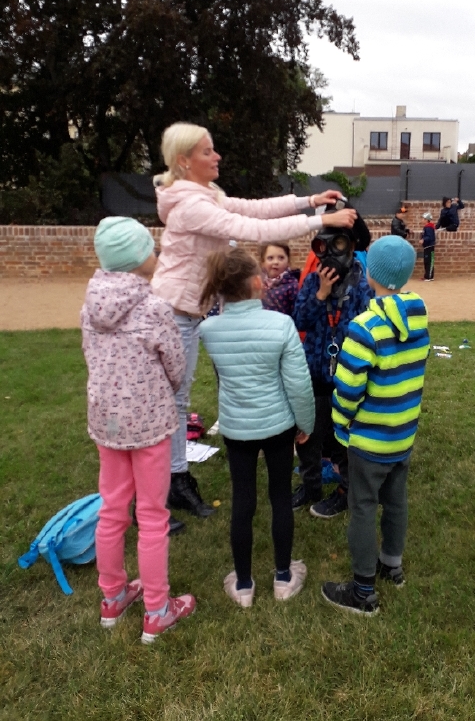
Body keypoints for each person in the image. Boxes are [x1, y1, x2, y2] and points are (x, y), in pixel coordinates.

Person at [151, 122, 356, 529]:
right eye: (207, 151)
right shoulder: (191, 204)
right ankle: (168, 483)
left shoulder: (202, 194)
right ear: (184, 161)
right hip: (173, 311)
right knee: (171, 401)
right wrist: (320, 222)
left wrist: (310, 201)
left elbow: (254, 208)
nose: (217, 156)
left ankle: (173, 477)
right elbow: (254, 230)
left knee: (176, 399)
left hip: (185, 310)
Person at [81, 217, 196, 644]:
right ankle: (157, 609)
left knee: (112, 510)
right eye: (150, 247)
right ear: (134, 258)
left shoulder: (89, 306)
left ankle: (112, 596)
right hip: (149, 426)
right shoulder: (154, 308)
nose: (156, 254)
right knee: (151, 515)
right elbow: (175, 365)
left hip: (107, 422)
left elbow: (90, 355)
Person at [199, 248, 315, 607]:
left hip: (237, 428)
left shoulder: (209, 330)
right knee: (280, 496)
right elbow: (299, 384)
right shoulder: (280, 325)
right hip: (278, 425)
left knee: (243, 500)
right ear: (256, 282)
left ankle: (244, 584)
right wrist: (306, 423)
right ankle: (283, 577)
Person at [321, 235, 430, 615]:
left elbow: (348, 388)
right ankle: (391, 565)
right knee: (396, 501)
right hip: (403, 434)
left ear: (370, 274)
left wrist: (340, 425)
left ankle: (363, 591)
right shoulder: (419, 316)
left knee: (364, 506)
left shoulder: (364, 328)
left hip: (369, 440)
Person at [292, 205, 374, 519]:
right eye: (323, 246)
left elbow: (364, 326)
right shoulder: (313, 282)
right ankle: (310, 485)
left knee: (343, 437)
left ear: (351, 246)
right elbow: (300, 319)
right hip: (315, 372)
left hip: (346, 375)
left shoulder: (361, 284)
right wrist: (322, 294)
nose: (330, 254)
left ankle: (346, 490)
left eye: (338, 244)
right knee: (309, 436)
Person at [260, 243, 300, 316]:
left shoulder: (292, 285)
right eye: (270, 258)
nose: (276, 262)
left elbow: (297, 312)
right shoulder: (258, 283)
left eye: (281, 258)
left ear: (288, 262)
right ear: (263, 262)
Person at [419, 212, 436, 281]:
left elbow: (430, 237)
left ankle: (429, 276)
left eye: (423, 218)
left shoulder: (429, 227)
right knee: (427, 261)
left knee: (429, 261)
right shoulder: (427, 227)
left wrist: (423, 239)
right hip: (427, 246)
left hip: (429, 246)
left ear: (426, 220)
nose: (422, 220)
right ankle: (427, 275)